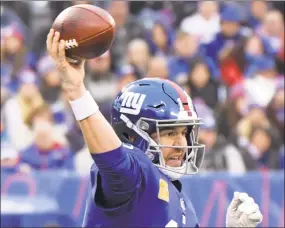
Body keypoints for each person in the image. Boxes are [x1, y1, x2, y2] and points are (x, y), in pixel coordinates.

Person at [46, 29, 263, 227]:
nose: (182, 144)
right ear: (133, 134)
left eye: (184, 133)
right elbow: (113, 158)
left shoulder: (180, 198)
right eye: (169, 133)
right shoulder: (134, 177)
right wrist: (76, 90)